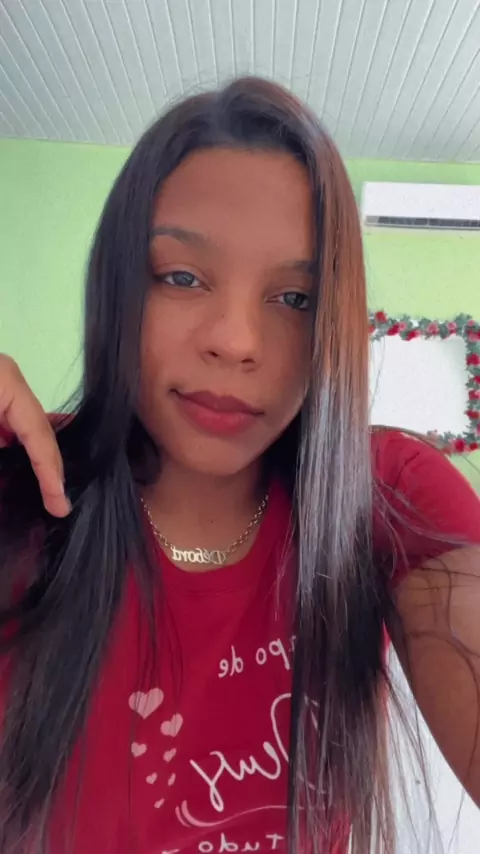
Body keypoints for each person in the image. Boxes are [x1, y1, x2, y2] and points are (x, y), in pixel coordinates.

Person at [0, 77, 479, 854]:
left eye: (294, 299)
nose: (237, 340)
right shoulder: (20, 482)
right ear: (116, 288)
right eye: (182, 278)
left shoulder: (382, 495)